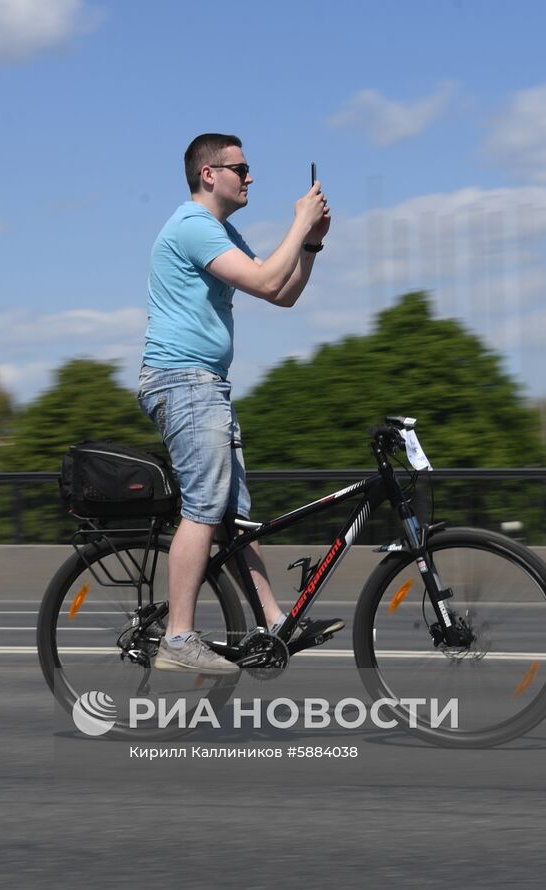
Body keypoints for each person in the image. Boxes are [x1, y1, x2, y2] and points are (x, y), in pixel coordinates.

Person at [138, 133, 343, 674]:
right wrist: (298, 221)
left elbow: (282, 293)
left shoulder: (220, 230)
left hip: (207, 385)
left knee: (236, 519)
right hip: (182, 382)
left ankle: (273, 621)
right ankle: (178, 639)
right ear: (210, 173)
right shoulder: (192, 226)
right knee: (204, 507)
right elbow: (262, 277)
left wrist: (312, 244)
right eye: (242, 168)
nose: (250, 177)